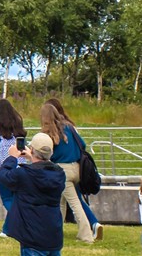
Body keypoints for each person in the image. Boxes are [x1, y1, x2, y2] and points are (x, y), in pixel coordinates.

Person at [41, 97, 101, 243]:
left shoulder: (50, 133)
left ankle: (86, 235)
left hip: (62, 172)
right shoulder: (69, 127)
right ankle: (57, 232)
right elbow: (83, 144)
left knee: (75, 204)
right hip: (77, 168)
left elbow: (46, 154)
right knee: (61, 201)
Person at [0, 131, 68, 256]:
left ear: (31, 149)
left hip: (32, 236)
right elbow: (43, 172)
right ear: (51, 152)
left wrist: (12, 157)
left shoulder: (24, 174)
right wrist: (32, 159)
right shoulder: (59, 174)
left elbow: (4, 176)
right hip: (53, 235)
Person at [0, 99, 29, 235]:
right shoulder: (17, 125)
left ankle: (20, 223)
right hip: (19, 162)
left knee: (6, 197)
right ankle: (7, 229)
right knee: (17, 196)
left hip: (1, 164)